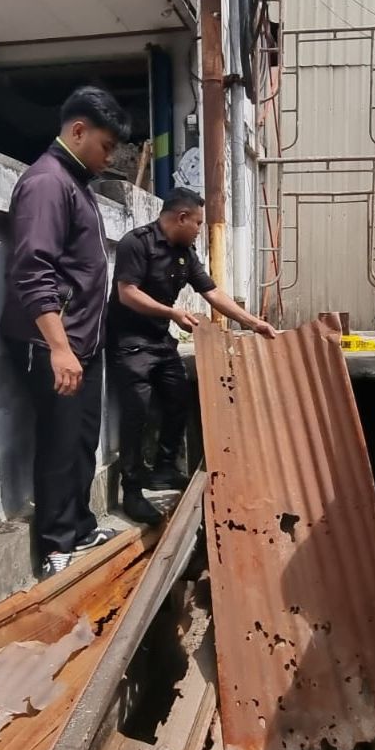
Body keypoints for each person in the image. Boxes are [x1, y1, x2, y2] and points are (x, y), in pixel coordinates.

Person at [0, 86, 128, 578]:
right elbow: (32, 270)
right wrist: (58, 347)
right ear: (78, 131)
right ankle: (56, 546)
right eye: (106, 144)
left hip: (83, 342)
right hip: (53, 343)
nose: (110, 155)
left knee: (81, 442)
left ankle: (79, 526)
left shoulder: (77, 185)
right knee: (57, 442)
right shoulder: (47, 183)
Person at [108, 187, 279, 524]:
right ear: (182, 217)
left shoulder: (185, 252)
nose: (201, 228)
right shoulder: (136, 243)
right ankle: (131, 490)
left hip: (159, 340)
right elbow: (127, 294)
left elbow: (211, 291)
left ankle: (164, 469)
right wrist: (171, 314)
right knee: (136, 413)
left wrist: (253, 323)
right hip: (130, 342)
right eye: (199, 222)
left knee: (178, 399)